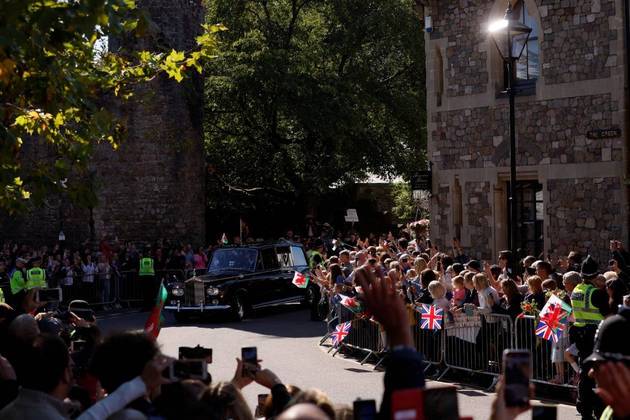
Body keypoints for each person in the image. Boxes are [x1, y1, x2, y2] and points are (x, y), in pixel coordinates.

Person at [570, 255, 609, 420]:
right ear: (595, 275)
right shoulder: (596, 293)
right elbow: (608, 313)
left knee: (585, 374)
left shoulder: (576, 290)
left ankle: (584, 409)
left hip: (580, 336)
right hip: (596, 337)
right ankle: (599, 410)